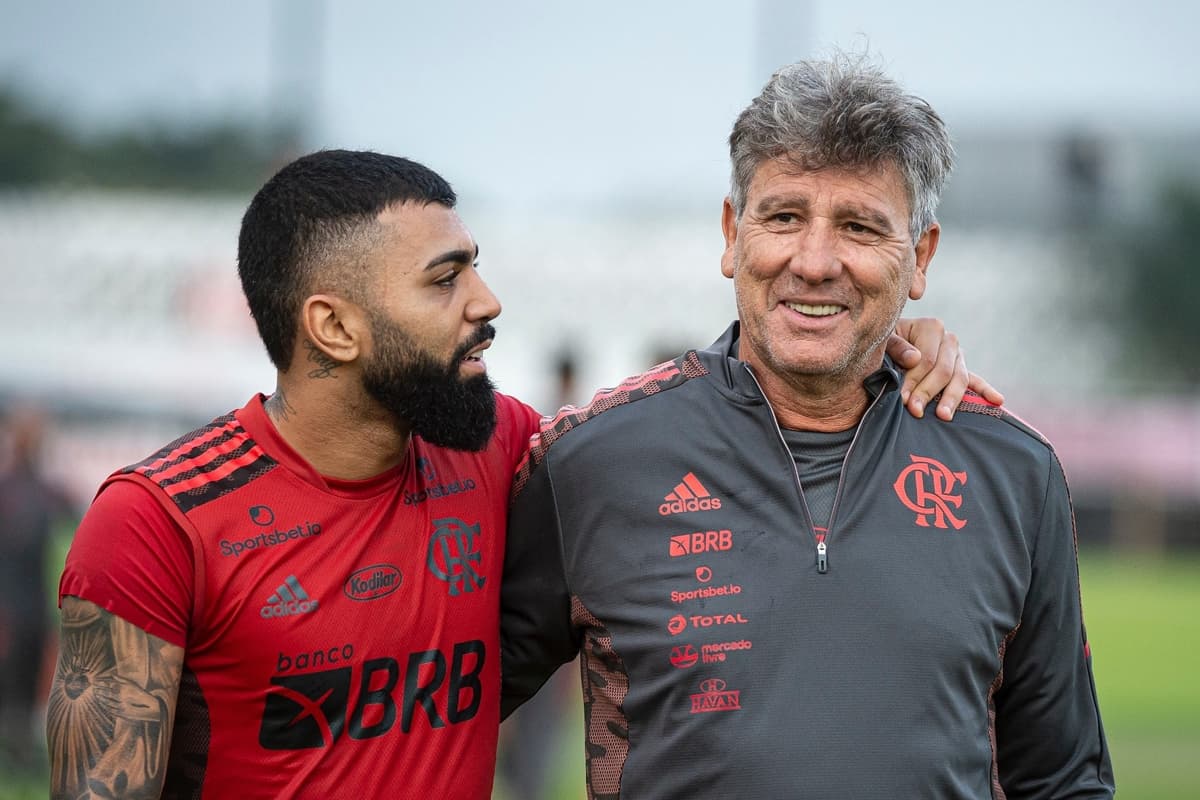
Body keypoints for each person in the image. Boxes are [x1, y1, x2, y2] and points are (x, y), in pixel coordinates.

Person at [48, 149, 992, 799]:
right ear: (331, 327)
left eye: (477, 267)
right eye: (444, 278)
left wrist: (881, 346)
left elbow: (687, 427)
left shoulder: (501, 450)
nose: (487, 301)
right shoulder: (156, 523)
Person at [500, 55, 1115, 799]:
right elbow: (425, 724)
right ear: (733, 234)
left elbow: (1062, 778)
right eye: (785, 216)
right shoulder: (589, 462)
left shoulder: (1013, 471)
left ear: (918, 258)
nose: (816, 261)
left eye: (859, 226)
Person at [0, 405, 73, 772]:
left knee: (29, 686)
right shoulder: (7, 491)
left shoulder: (47, 492)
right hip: (8, 609)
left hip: (36, 610)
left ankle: (22, 756)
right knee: (10, 684)